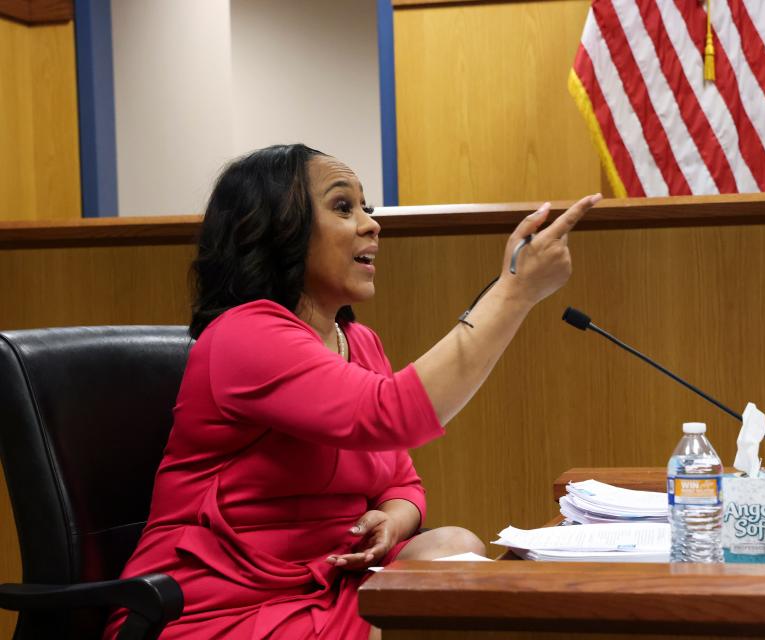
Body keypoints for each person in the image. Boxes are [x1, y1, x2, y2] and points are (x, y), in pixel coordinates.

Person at [104, 143, 601, 639]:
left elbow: (402, 481)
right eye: (344, 207)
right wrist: (514, 293)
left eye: (367, 207)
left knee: (453, 546)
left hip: (330, 580)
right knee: (452, 607)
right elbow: (393, 415)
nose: (371, 224)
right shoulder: (244, 336)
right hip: (219, 606)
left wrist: (394, 518)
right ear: (278, 230)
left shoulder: (358, 341)